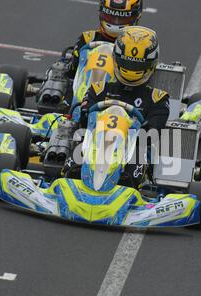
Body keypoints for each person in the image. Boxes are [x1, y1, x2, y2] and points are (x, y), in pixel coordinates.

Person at [67, 26, 170, 188]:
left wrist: (132, 126)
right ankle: (75, 171)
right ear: (116, 59)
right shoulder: (99, 88)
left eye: (137, 67)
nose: (131, 72)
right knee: (80, 135)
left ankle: (127, 183)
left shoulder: (157, 98)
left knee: (140, 146)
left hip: (132, 149)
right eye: (127, 64)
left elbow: (153, 132)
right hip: (97, 144)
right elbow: (83, 118)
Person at [67, 0, 143, 79]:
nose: (116, 22)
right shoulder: (88, 38)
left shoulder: (138, 47)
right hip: (84, 88)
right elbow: (71, 72)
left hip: (119, 89)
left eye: (122, 18)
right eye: (110, 17)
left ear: (136, 16)